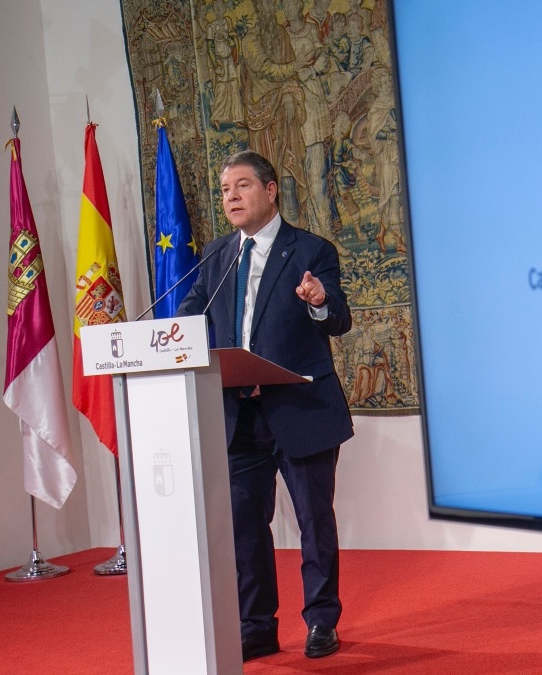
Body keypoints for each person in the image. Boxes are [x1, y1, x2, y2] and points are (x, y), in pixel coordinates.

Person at [177, 149, 353, 661]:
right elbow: (188, 318)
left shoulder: (311, 251)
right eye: (225, 190)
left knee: (313, 522)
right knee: (245, 526)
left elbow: (337, 317)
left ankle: (322, 621)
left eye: (242, 186)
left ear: (271, 190)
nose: (231, 197)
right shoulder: (217, 255)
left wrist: (319, 300)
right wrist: (157, 339)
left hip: (300, 407)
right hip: (240, 415)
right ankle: (255, 626)